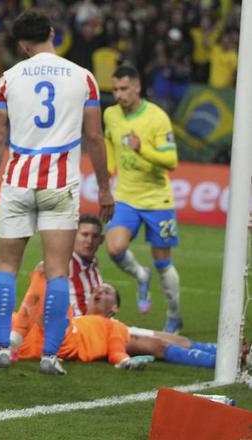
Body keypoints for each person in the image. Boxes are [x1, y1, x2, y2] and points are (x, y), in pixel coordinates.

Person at [0, 10, 113, 373]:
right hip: (60, 184)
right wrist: (104, 189)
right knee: (57, 272)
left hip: (18, 182)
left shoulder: (8, 79)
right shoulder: (84, 78)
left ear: (22, 44)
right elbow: (95, 137)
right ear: (53, 33)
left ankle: (3, 349)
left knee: (6, 267)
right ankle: (51, 356)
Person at [0, 279, 224, 370]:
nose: (100, 291)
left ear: (115, 307)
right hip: (25, 329)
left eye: (107, 292)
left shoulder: (112, 326)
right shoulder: (80, 317)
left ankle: (220, 355)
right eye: (98, 290)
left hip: (46, 336)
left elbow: (149, 345)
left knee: (51, 279)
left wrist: (123, 360)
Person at [103, 65, 182, 334]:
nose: (118, 95)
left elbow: (171, 160)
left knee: (163, 261)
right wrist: (108, 170)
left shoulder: (157, 117)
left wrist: (141, 149)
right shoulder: (111, 114)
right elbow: (109, 141)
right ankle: (140, 274)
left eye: (124, 89)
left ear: (137, 87)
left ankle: (174, 316)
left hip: (157, 200)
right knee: (114, 248)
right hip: (125, 197)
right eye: (115, 89)